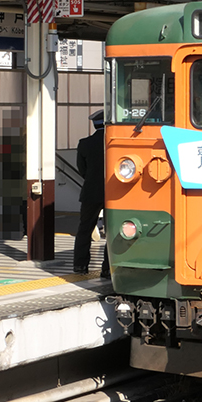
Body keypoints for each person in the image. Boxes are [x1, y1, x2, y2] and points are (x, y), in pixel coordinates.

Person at [73, 109, 109, 278]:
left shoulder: (84, 143)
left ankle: (80, 266)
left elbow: (82, 170)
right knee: (113, 231)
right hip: (113, 194)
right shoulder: (113, 142)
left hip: (90, 193)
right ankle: (108, 268)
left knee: (84, 229)